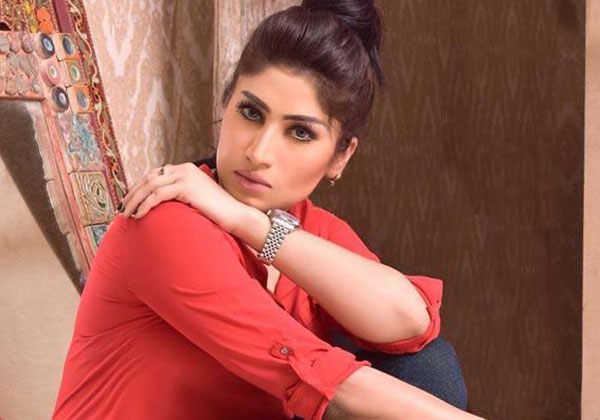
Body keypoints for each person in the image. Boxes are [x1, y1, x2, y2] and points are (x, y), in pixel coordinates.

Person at [52, 1, 487, 419]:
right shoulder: (165, 222)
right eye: (250, 112)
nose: (258, 152)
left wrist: (252, 225)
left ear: (340, 157)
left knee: (428, 367)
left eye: (299, 133)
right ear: (226, 105)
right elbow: (319, 378)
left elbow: (410, 323)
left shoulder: (308, 228)